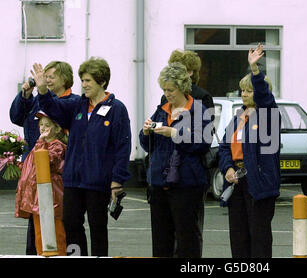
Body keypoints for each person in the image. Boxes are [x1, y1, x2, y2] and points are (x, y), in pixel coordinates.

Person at [34, 57, 132, 256]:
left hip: (98, 181)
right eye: (83, 80)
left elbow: (123, 147)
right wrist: (43, 90)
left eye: (88, 81)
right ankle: (76, 258)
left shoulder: (117, 109)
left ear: (102, 81)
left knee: (97, 227)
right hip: (73, 179)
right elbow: (52, 109)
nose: (84, 85)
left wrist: (117, 180)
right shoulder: (77, 105)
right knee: (71, 224)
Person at [139, 62, 211, 258]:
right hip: (159, 183)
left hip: (187, 184)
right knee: (161, 239)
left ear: (182, 88)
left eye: (170, 89)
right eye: (164, 89)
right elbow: (147, 146)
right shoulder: (161, 110)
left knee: (187, 237)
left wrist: (175, 133)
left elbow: (203, 142)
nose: (167, 93)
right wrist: (145, 133)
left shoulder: (199, 110)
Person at [9, 61, 79, 255]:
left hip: (57, 173)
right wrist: (24, 95)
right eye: (44, 76)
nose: (45, 80)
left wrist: (41, 92)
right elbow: (16, 116)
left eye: (50, 76)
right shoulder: (39, 101)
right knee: (36, 224)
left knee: (58, 224)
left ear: (64, 79)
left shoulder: (72, 101)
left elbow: (56, 108)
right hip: (35, 171)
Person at [218, 44, 281, 258]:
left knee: (259, 238)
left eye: (249, 90)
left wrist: (255, 70)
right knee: (238, 237)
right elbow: (225, 146)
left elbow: (265, 98)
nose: (244, 94)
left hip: (259, 182)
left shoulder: (268, 116)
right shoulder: (238, 117)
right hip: (236, 181)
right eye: (242, 90)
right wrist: (227, 168)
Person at [15, 111, 67, 256]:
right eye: (41, 125)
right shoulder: (41, 144)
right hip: (37, 198)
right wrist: (15, 163)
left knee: (55, 236)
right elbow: (32, 167)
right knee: (40, 236)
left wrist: (41, 142)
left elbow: (46, 160)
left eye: (47, 125)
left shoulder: (57, 146)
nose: (43, 128)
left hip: (51, 198)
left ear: (57, 129)